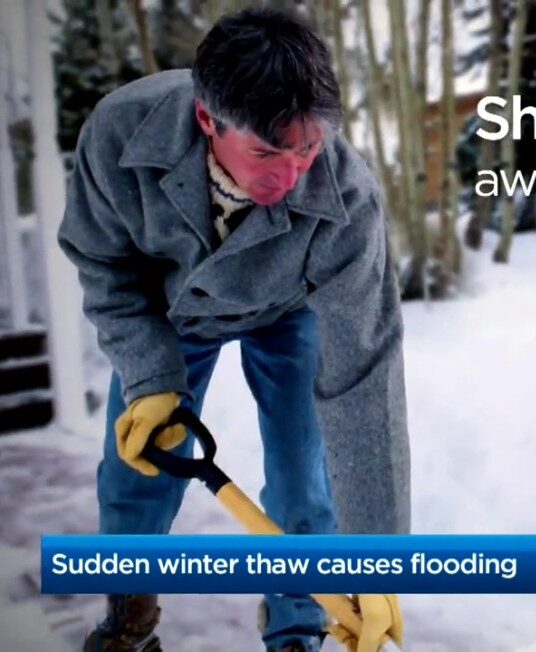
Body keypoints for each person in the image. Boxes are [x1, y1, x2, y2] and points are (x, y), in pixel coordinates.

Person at [57, 8, 409, 651]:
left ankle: (297, 627)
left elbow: (365, 377)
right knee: (137, 467)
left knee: (305, 478)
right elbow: (104, 264)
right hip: (169, 316)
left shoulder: (348, 199)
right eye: (268, 151)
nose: (293, 172)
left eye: (307, 148)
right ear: (207, 120)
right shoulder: (119, 133)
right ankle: (130, 619)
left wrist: (380, 562)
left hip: (290, 312)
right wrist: (151, 375)